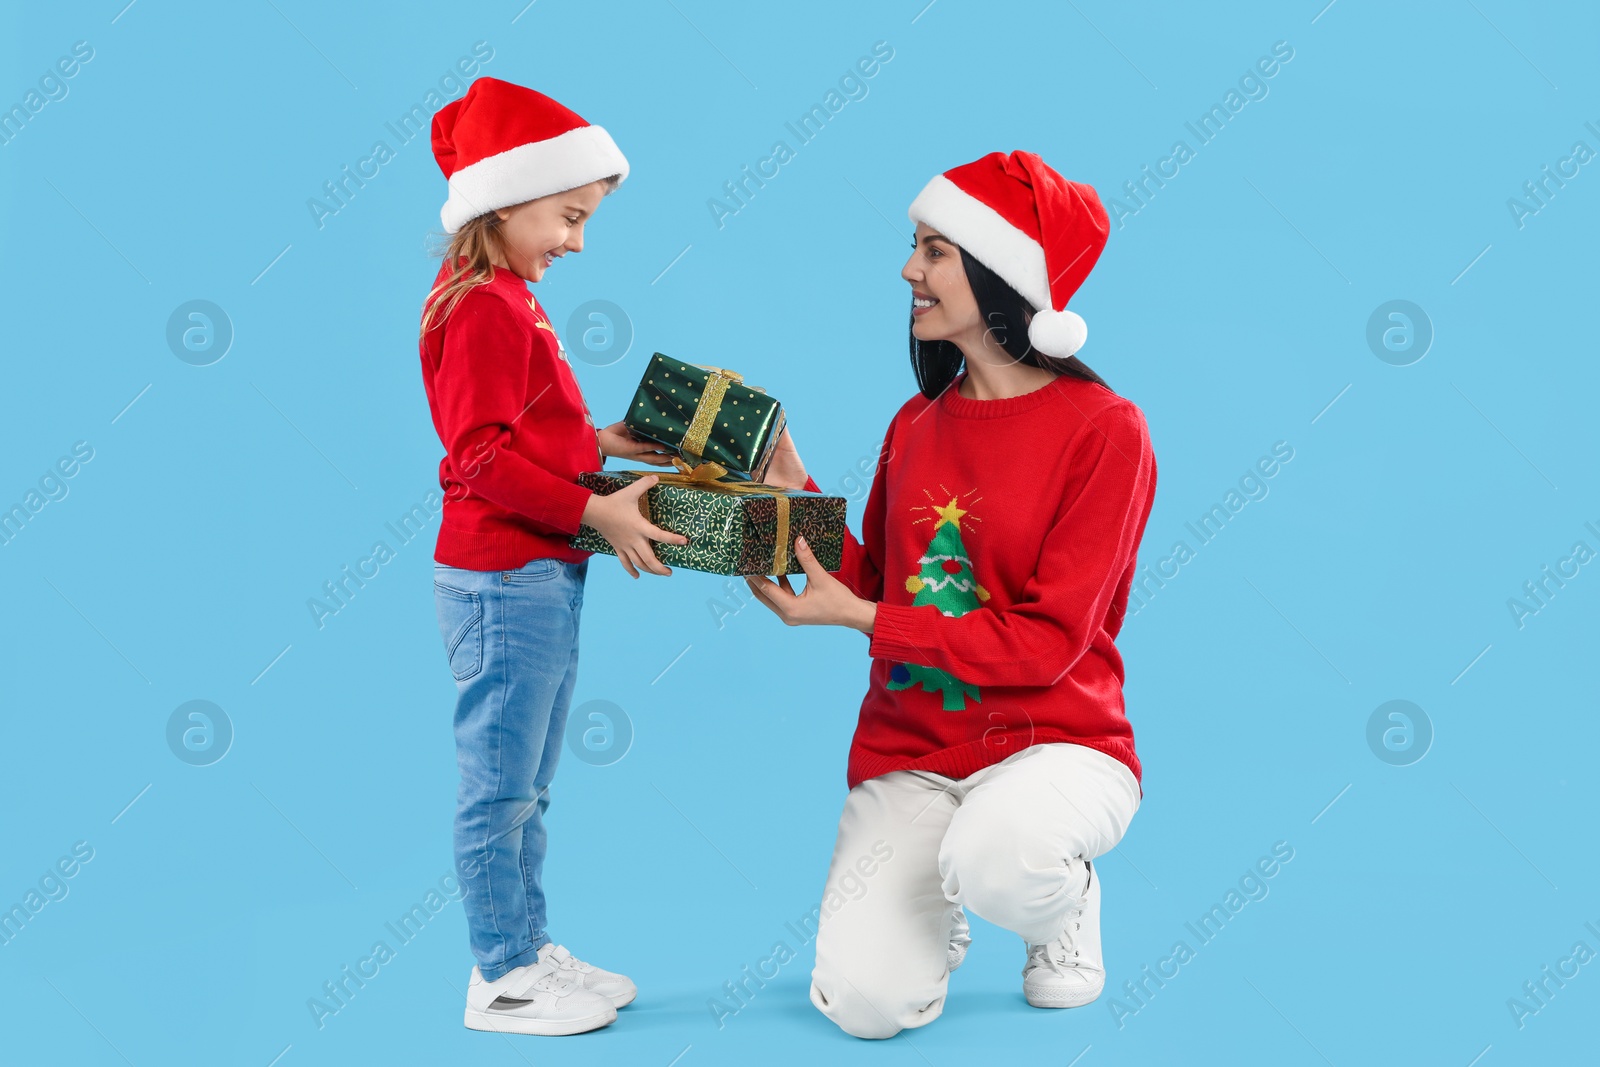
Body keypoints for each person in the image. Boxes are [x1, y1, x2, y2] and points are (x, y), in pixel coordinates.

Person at [746, 151, 1158, 1038]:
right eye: (915, 248)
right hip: (914, 752)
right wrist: (794, 492)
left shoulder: (1106, 431)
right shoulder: (916, 422)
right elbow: (873, 582)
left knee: (1004, 855)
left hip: (1057, 743)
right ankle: (950, 885)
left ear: (1000, 276)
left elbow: (1047, 642)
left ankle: (1063, 903)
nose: (909, 270)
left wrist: (861, 617)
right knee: (864, 1006)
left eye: (934, 251)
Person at [418, 76, 687, 1037]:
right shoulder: (482, 306)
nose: (578, 239)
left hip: (540, 571)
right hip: (502, 577)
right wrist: (598, 511)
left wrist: (605, 441)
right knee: (500, 781)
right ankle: (501, 975)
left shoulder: (512, 297)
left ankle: (528, 947)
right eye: (569, 215)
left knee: (530, 781)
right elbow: (480, 457)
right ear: (504, 200)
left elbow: (528, 427)